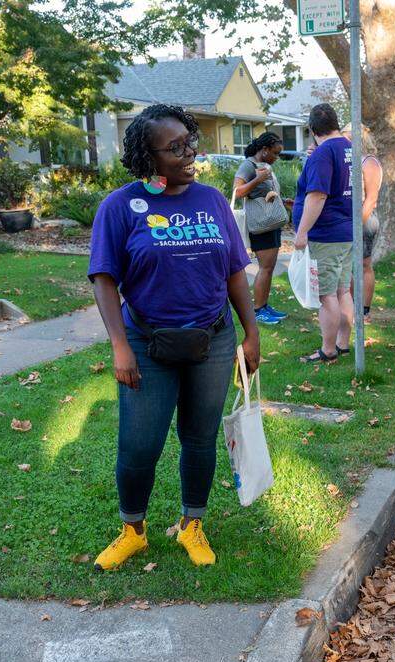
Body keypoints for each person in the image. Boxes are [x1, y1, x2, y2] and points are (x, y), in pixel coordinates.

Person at [87, 104, 260, 570]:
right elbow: (104, 278)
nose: (190, 153)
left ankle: (192, 525)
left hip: (214, 340)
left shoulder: (212, 201)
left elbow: (235, 273)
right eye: (176, 147)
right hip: (147, 343)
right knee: (140, 443)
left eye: (191, 141)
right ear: (148, 157)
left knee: (200, 438)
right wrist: (120, 345)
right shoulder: (120, 207)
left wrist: (251, 333)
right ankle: (133, 531)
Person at [293, 103, 353, 363]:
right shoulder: (349, 147)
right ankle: (343, 343)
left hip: (326, 234)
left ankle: (328, 351)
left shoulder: (323, 153)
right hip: (346, 232)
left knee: (326, 294)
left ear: (312, 129)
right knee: (343, 291)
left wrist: (302, 232)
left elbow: (317, 196)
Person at [234, 131, 288, 324]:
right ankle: (258, 310)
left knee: (269, 267)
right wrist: (257, 179)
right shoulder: (248, 165)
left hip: (271, 221)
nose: (277, 157)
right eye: (274, 153)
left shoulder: (263, 165)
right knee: (265, 267)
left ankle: (264, 306)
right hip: (261, 224)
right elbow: (237, 191)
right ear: (264, 150)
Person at [341, 124, 382, 322]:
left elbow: (371, 199)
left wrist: (356, 226)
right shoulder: (351, 160)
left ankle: (364, 310)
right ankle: (350, 306)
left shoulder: (369, 162)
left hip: (364, 220)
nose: (344, 140)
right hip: (349, 220)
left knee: (364, 264)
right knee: (347, 266)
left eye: (347, 136)